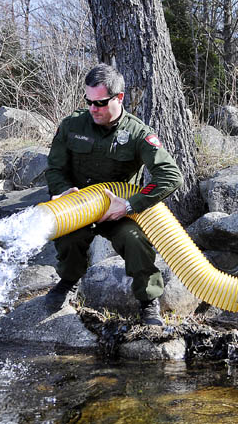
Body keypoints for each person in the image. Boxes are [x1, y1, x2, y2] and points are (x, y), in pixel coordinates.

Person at [43, 63, 184, 326]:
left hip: (118, 210)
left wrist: (131, 204)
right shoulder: (73, 126)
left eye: (100, 102)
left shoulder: (137, 133)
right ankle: (68, 282)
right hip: (78, 206)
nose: (93, 108)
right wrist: (62, 191)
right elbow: (54, 169)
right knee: (69, 239)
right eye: (89, 101)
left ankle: (148, 303)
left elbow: (171, 175)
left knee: (136, 242)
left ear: (119, 98)